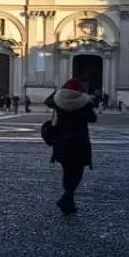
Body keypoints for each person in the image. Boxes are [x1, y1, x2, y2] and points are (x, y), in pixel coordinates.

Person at [44, 77, 97, 215]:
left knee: (67, 171)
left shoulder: (58, 101)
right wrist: (87, 100)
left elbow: (47, 101)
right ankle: (68, 196)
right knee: (77, 173)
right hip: (79, 142)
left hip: (62, 141)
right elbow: (93, 118)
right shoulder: (84, 103)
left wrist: (58, 92)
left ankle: (69, 202)